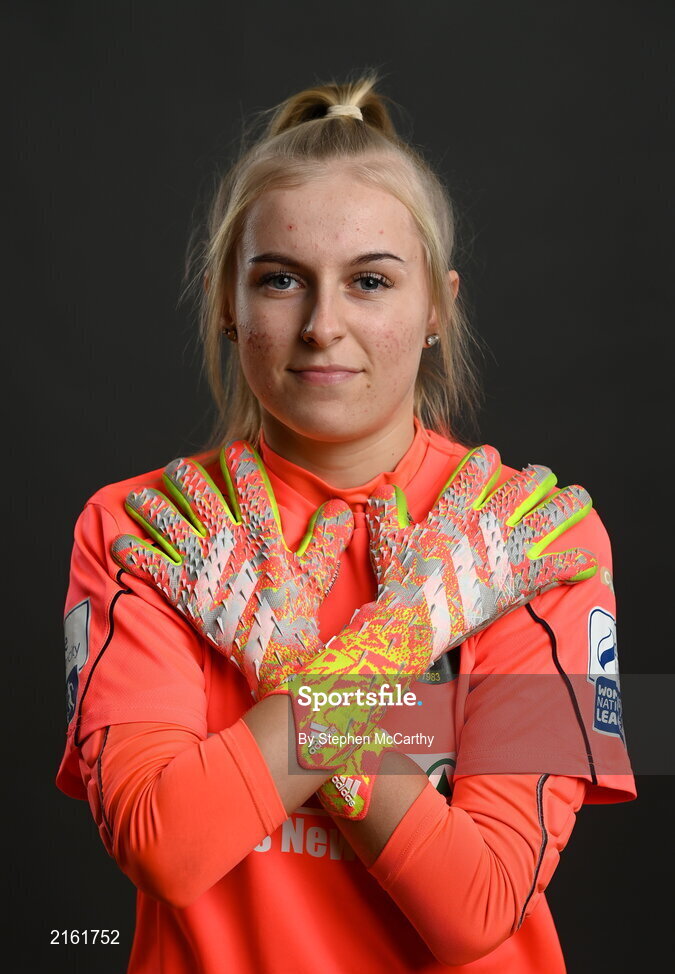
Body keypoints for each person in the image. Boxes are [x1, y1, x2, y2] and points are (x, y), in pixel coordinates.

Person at [56, 73, 635, 973]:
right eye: (280, 279)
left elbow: (477, 903)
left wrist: (328, 666)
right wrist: (386, 657)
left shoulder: (531, 540)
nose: (323, 326)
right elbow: (167, 848)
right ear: (225, 301)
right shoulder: (150, 532)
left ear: (436, 306)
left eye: (369, 280)